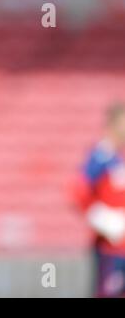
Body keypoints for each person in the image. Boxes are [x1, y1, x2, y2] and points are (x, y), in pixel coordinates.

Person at [72, 103, 125, 297]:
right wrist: (105, 220)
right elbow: (77, 191)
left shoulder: (117, 158)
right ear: (113, 125)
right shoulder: (100, 156)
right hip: (110, 249)